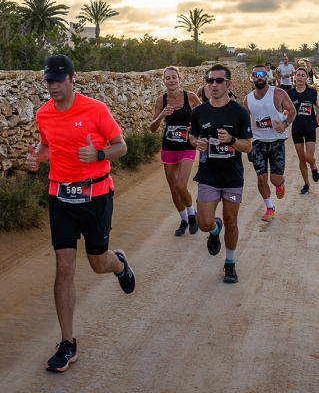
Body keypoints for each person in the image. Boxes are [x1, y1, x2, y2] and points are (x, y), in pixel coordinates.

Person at [25, 54, 136, 373]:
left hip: (96, 193)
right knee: (64, 266)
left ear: (73, 79)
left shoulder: (95, 109)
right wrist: (38, 159)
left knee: (98, 262)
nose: (53, 86)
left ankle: (119, 264)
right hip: (60, 194)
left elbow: (121, 146)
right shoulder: (43, 114)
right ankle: (67, 343)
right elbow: (47, 147)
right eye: (49, 80)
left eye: (59, 80)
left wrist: (98, 153)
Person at [189, 64, 254, 283]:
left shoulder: (239, 112)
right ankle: (215, 230)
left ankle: (230, 263)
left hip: (232, 177)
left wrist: (232, 140)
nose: (214, 85)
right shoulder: (199, 112)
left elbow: (248, 146)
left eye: (218, 81)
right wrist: (196, 142)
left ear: (229, 84)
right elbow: (191, 136)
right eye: (210, 81)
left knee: (232, 222)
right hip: (208, 176)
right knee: (204, 223)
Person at [148, 66, 200, 236]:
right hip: (169, 147)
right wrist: (162, 115)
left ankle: (192, 214)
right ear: (164, 81)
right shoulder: (160, 101)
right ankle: (184, 219)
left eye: (174, 77)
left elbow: (204, 115)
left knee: (181, 185)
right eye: (168, 78)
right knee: (173, 189)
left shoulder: (190, 97)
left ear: (179, 79)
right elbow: (153, 128)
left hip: (187, 147)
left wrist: (196, 128)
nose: (171, 80)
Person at [244, 64, 297, 222]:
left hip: (276, 141)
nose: (259, 77)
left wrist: (286, 123)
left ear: (267, 76)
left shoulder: (278, 93)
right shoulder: (248, 99)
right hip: (258, 142)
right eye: (255, 74)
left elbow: (293, 110)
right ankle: (269, 207)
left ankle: (280, 183)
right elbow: (244, 122)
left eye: (262, 74)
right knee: (261, 178)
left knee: (275, 179)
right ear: (252, 78)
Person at [287, 67, 319, 194]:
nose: (300, 77)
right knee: (301, 158)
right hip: (297, 128)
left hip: (310, 127)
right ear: (295, 77)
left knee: (308, 157)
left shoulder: (311, 92)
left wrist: (318, 113)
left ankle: (314, 166)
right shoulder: (290, 93)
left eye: (303, 75)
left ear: (306, 78)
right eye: (298, 75)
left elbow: (316, 104)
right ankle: (306, 184)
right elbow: (286, 108)